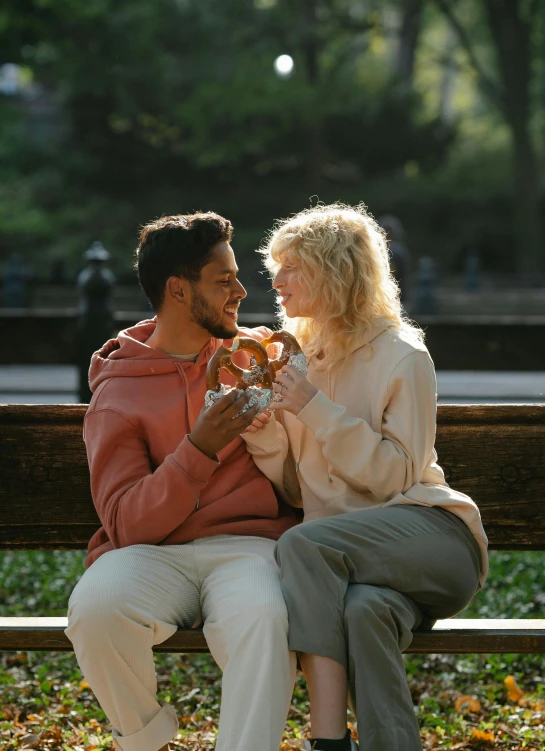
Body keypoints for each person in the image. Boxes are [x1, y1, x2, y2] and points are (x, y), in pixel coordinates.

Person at [242, 203, 488, 751]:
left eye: (292, 268)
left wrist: (314, 410)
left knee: (302, 544)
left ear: (334, 272)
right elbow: (298, 487)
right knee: (362, 611)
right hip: (355, 568)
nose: (276, 281)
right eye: (275, 267)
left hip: (434, 541)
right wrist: (264, 433)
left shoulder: (403, 355)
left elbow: (397, 477)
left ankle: (327, 741)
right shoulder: (301, 358)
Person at [65, 213, 297, 751]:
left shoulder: (256, 357)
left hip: (249, 546)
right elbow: (125, 522)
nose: (241, 291)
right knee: (95, 611)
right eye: (223, 280)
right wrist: (199, 450)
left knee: (267, 619)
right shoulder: (120, 392)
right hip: (153, 553)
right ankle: (146, 741)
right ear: (177, 288)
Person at [76, 241, 116, 402]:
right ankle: (86, 393)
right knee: (87, 360)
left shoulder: (104, 277)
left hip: (101, 323)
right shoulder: (88, 277)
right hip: (90, 322)